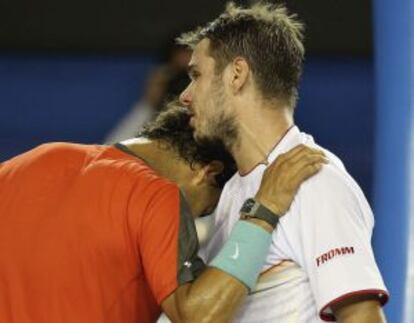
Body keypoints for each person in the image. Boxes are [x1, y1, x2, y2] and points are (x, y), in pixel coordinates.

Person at [0, 103, 326, 323]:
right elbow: (198, 315)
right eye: (207, 209)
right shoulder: (156, 196)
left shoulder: (30, 161)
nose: (197, 217)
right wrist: (263, 211)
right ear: (208, 171)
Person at [178, 2, 388, 322]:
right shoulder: (234, 191)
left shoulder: (316, 181)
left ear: (237, 74)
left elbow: (361, 316)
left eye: (196, 75)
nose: (185, 95)